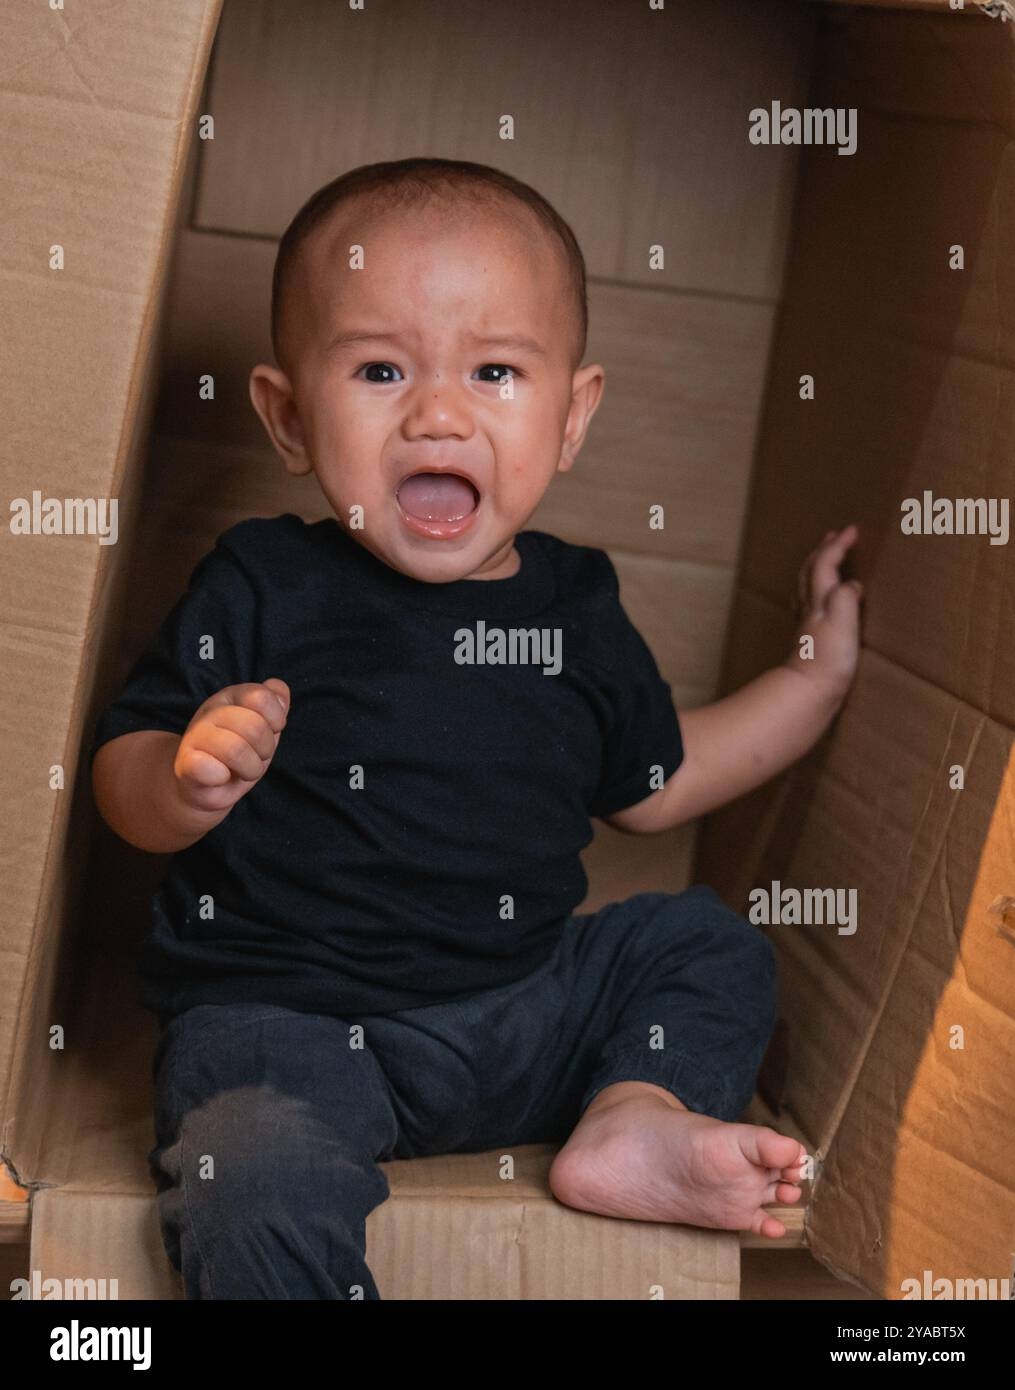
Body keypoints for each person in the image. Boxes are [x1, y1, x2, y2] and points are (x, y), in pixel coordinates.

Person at [90, 157, 863, 1299]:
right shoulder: (263, 584)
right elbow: (120, 772)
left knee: (704, 946)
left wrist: (816, 677)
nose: (438, 411)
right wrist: (185, 776)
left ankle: (629, 1119)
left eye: (495, 370)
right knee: (242, 1169)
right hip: (293, 1029)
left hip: (521, 1009)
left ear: (572, 416)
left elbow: (655, 782)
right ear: (290, 417)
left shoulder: (574, 605)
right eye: (380, 368)